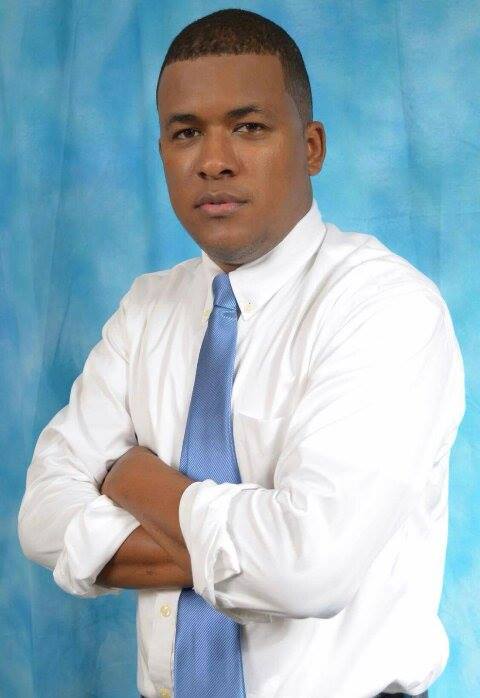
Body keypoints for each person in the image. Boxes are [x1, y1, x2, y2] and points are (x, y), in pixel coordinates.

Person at [18, 8, 465, 698]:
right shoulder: (146, 310)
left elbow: (307, 570)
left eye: (248, 127)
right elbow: (42, 519)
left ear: (311, 146)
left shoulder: (386, 308)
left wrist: (134, 479)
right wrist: (252, 553)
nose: (213, 160)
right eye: (186, 133)